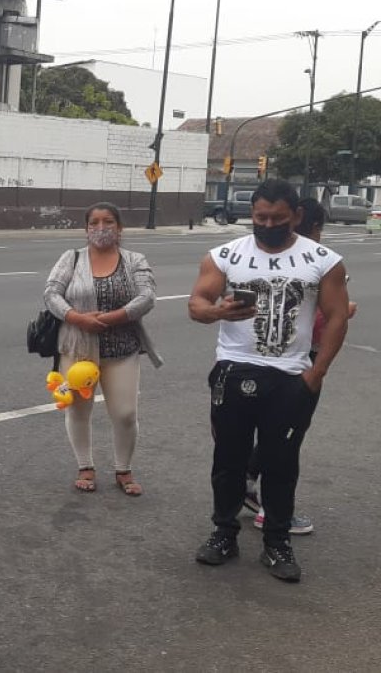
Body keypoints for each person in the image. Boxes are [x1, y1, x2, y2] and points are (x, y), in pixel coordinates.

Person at [188, 179, 349, 583]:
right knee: (228, 460)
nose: (267, 224)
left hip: (291, 376)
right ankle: (224, 533)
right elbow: (196, 305)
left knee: (281, 464)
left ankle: (277, 543)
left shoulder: (324, 260)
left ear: (295, 215)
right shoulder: (225, 254)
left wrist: (317, 373)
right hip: (234, 368)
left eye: (277, 218)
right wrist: (218, 312)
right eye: (260, 217)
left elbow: (337, 316)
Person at [243, 197, 357, 534]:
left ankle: (244, 486)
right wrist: (343, 312)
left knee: (271, 432)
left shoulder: (266, 256)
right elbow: (314, 320)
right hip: (299, 362)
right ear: (313, 225)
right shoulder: (320, 262)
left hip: (265, 360)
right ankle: (273, 512)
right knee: (287, 440)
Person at [43, 203, 162, 495]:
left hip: (121, 349)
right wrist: (77, 318)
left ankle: (124, 469)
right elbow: (51, 293)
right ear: (86, 229)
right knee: (78, 409)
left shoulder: (134, 260)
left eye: (108, 221)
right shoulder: (71, 258)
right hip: (77, 347)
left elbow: (147, 296)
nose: (101, 227)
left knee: (124, 413)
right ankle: (85, 465)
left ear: (119, 228)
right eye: (94, 222)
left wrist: (111, 318)